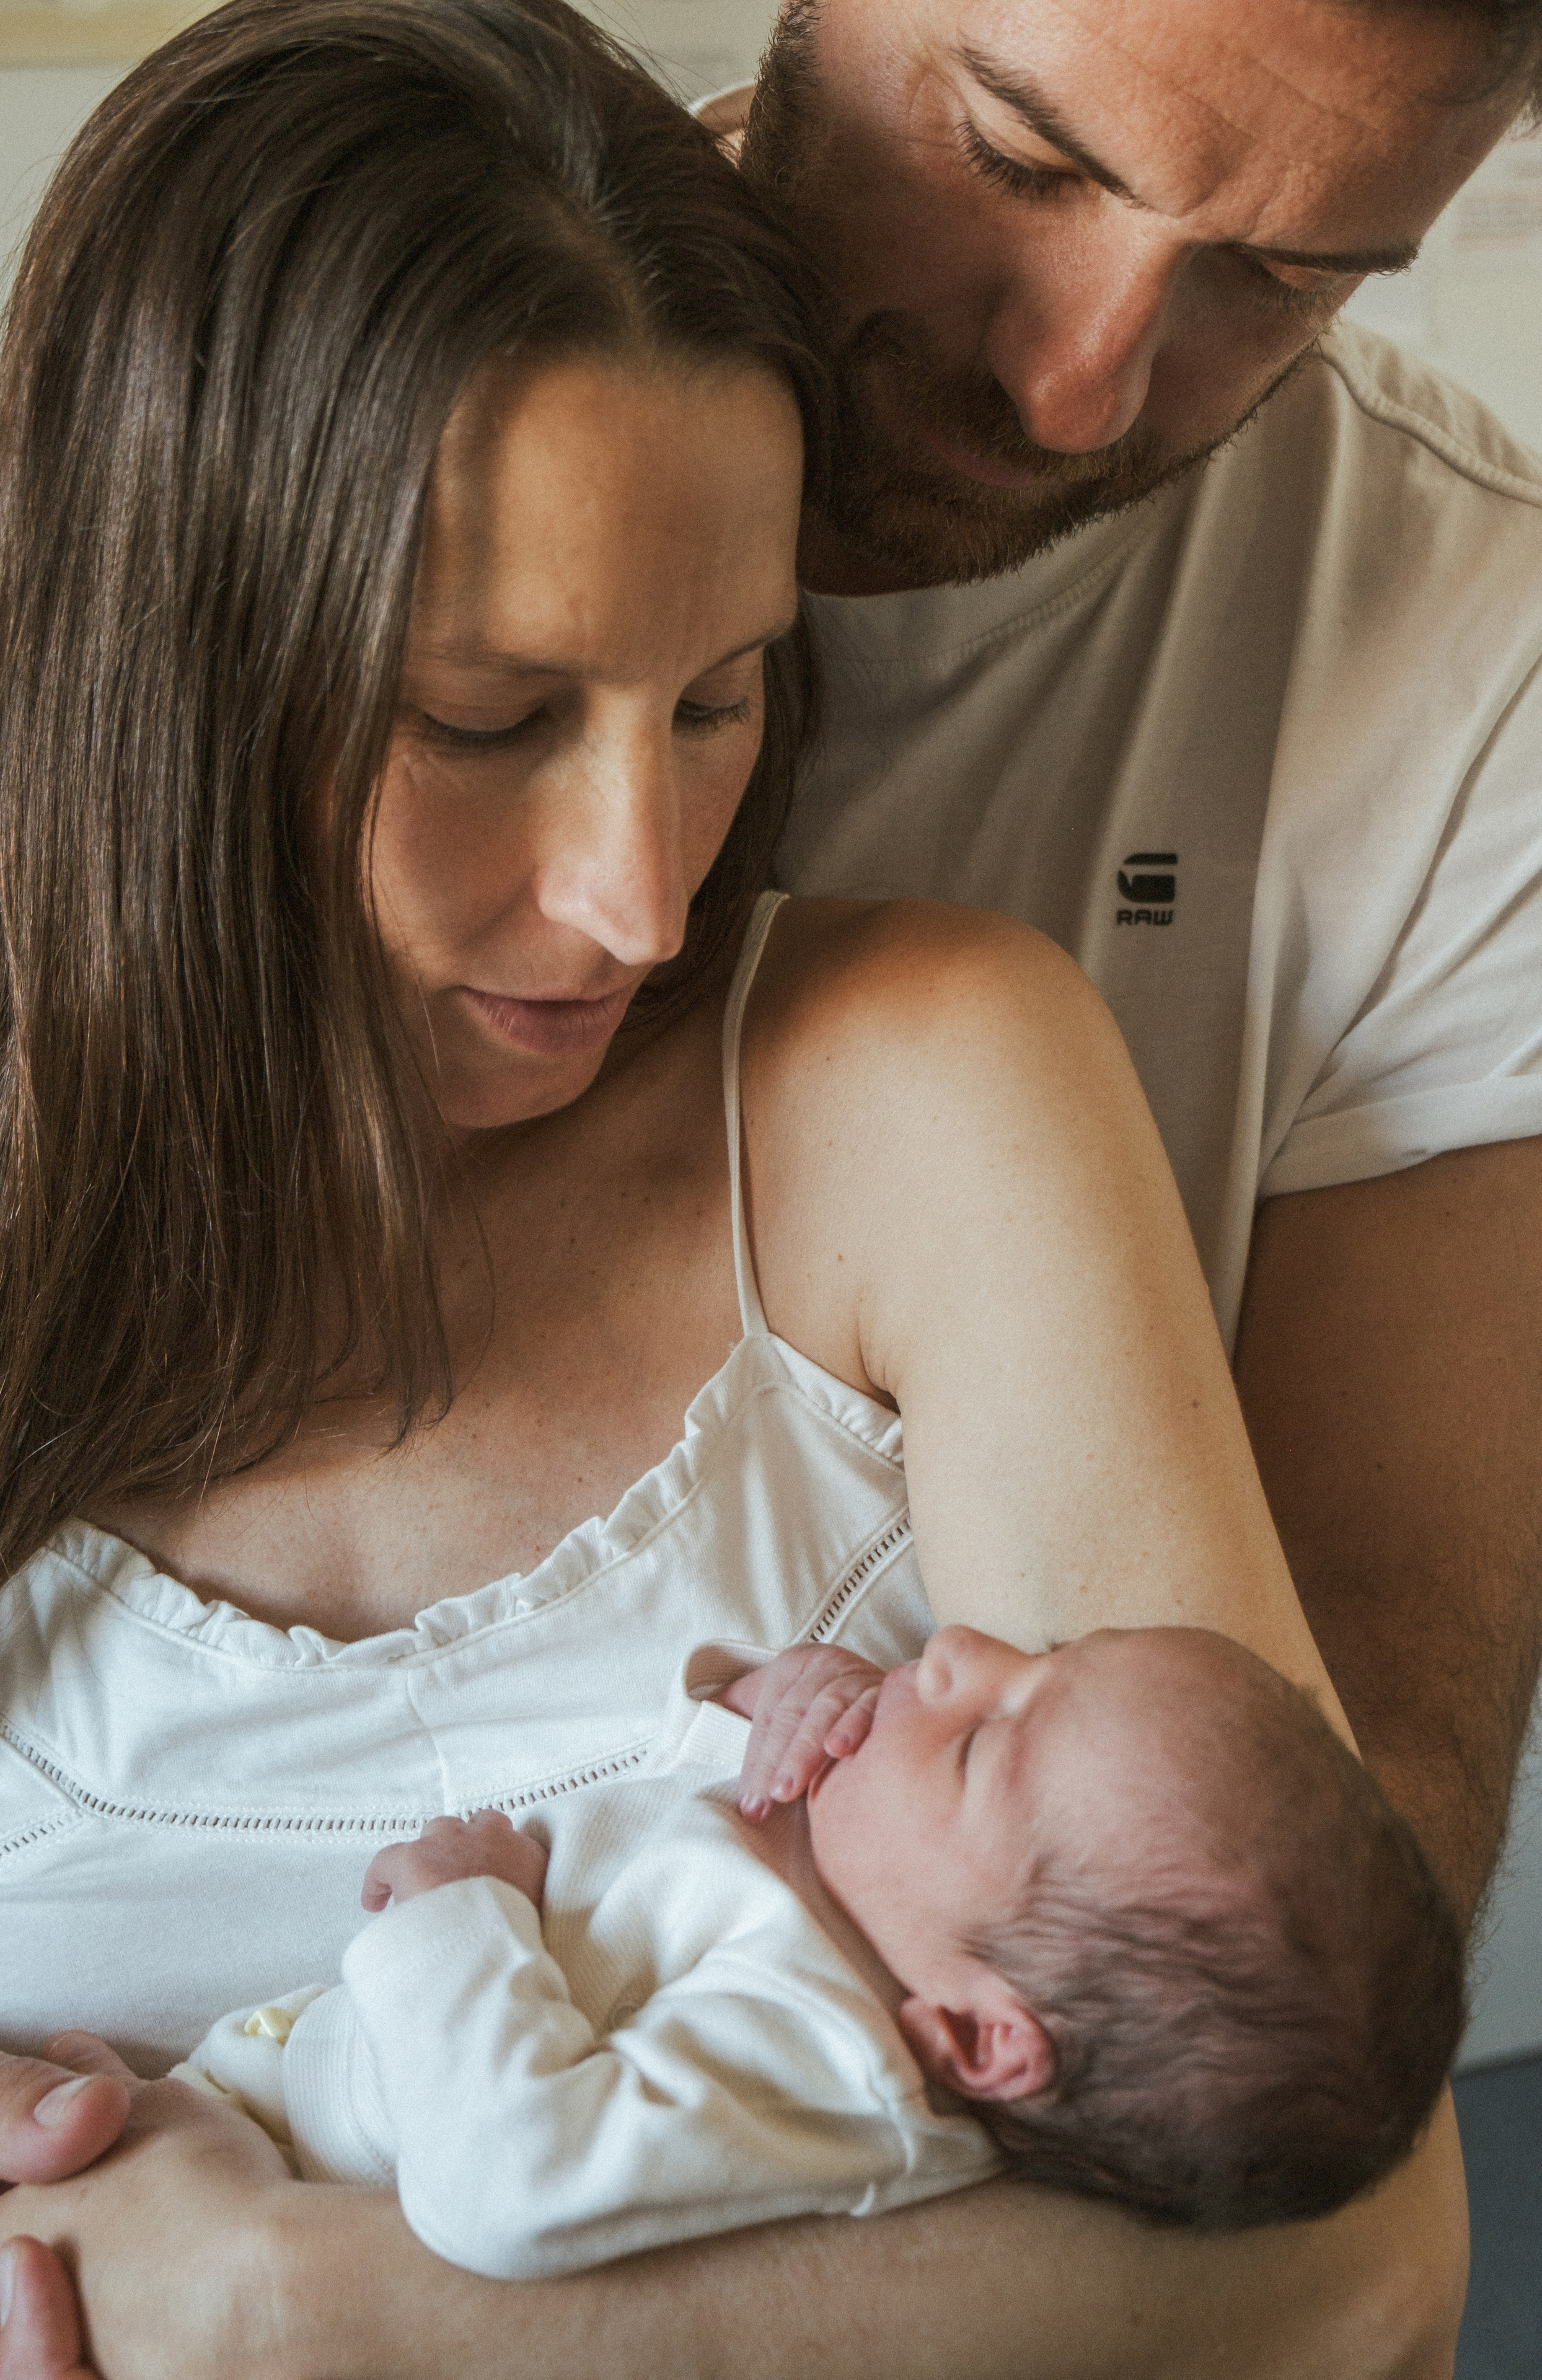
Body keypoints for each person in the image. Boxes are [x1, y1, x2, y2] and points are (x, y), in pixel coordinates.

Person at [0, 2, 1470, 2376]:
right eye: (487, 720)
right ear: (165, 658)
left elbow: (1354, 2256)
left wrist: (305, 2308)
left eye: (721, 699)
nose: (642, 903)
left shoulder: (923, 1092)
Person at [702, 0, 1542, 1955]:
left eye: (1279, 280)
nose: (1078, 391)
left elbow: (1307, 1887)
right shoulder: (338, 374)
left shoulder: (1475, 663)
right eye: (1020, 158)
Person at [172, 1623, 1463, 2271]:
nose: (956, 1648)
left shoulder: (820, 2069)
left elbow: (514, 2178)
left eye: (979, 1740)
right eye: (1042, 1653)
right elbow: (663, 1857)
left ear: (975, 2035)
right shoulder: (873, 1917)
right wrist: (769, 1711)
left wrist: (459, 1910)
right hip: (242, 2100)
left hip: (276, 2169)